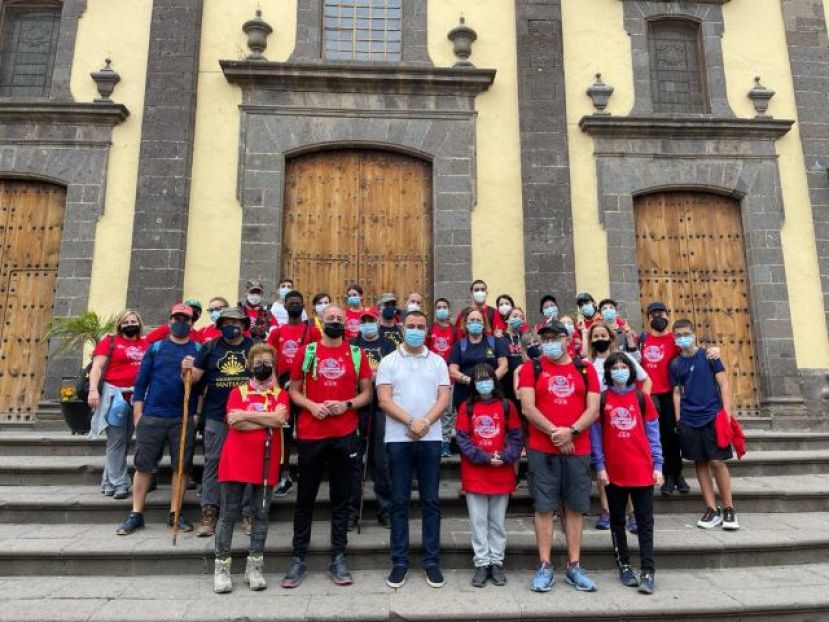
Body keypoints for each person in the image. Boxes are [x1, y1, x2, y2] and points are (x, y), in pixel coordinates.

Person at [282, 305, 373, 589]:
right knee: (305, 499)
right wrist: (312, 406)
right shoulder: (307, 352)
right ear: (321, 321)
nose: (334, 321)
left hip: (345, 433)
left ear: (346, 323)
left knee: (341, 499)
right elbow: (293, 389)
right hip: (311, 434)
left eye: (339, 319)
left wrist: (346, 404)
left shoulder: (356, 354)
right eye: (330, 318)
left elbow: (367, 393)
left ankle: (339, 557)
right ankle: (298, 558)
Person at [517, 320, 601, 593]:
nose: (550, 342)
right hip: (543, 449)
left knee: (575, 506)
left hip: (579, 447)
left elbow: (594, 408)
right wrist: (557, 433)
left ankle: (574, 565)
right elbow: (528, 408)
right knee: (543, 507)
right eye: (546, 338)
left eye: (555, 337)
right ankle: (544, 565)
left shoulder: (585, 369)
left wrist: (573, 432)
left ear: (568, 339)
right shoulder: (533, 368)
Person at [376, 310, 451, 590]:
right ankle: (400, 562)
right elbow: (384, 400)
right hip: (398, 439)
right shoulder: (388, 361)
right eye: (411, 326)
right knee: (399, 502)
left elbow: (444, 397)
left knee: (431, 501)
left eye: (421, 326)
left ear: (427, 329)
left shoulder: (438, 362)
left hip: (430, 439)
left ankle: (432, 562)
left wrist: (425, 423)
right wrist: (410, 421)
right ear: (402, 329)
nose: (416, 330)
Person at [116, 303, 200, 536]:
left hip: (182, 417)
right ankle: (136, 514)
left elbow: (200, 387)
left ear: (192, 323)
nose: (180, 323)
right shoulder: (155, 348)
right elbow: (141, 383)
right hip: (152, 414)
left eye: (185, 319)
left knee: (180, 467)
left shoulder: (198, 349)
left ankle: (175, 512)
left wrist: (195, 413)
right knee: (143, 466)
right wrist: (138, 414)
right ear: (170, 320)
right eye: (176, 318)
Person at [213, 343, 290, 593]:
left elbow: (280, 419)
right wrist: (267, 421)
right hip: (236, 458)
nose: (262, 366)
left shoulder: (281, 394)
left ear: (274, 365)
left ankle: (254, 568)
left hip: (267, 461)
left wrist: (248, 416)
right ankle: (222, 569)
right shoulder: (238, 391)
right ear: (250, 365)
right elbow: (235, 424)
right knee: (228, 514)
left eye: (267, 362)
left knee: (261, 515)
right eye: (258, 362)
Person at [592, 352, 663, 595]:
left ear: (631, 370)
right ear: (608, 372)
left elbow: (653, 432)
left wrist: (658, 465)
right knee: (617, 521)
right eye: (615, 367)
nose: (619, 370)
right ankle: (623, 565)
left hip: (642, 468)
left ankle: (647, 570)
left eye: (624, 366)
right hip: (613, 471)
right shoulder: (601, 400)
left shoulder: (643, 398)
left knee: (645, 523)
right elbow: (596, 437)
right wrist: (600, 466)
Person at [640, 301, 719, 496]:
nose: (658, 317)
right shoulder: (641, 339)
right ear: (648, 318)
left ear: (668, 316)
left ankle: (678, 475)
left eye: (661, 313)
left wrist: (714, 350)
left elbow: (691, 353)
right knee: (656, 436)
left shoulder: (674, 339)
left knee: (673, 436)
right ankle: (666, 475)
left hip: (670, 394)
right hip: (649, 395)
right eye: (653, 314)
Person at [455, 363, 523, 588]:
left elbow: (516, 436)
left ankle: (496, 562)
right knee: (478, 521)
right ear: (473, 383)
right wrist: (483, 457)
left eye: (488, 378)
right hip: (475, 472)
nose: (484, 382)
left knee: (497, 522)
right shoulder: (467, 407)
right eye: (479, 379)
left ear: (495, 380)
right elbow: (463, 439)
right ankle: (482, 563)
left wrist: (506, 456)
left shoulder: (507, 406)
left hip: (501, 472)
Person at [191, 308, 254, 537]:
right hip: (216, 415)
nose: (231, 325)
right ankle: (209, 513)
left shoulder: (253, 347)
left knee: (248, 464)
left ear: (243, 324)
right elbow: (195, 378)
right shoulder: (209, 348)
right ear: (220, 325)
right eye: (227, 322)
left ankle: (248, 514)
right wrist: (186, 370)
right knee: (213, 463)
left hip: (248, 416)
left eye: (235, 322)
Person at [670, 319, 739, 531]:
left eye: (686, 333)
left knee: (717, 461)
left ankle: (729, 508)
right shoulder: (675, 364)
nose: (683, 338)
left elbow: (724, 383)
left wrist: (726, 412)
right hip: (689, 420)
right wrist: (678, 420)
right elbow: (676, 393)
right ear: (674, 338)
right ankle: (711, 509)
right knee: (700, 463)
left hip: (712, 416)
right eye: (678, 335)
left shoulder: (709, 356)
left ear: (694, 333)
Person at [585, 322, 652, 532]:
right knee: (602, 463)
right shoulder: (587, 363)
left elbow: (645, 379)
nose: (599, 339)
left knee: (626, 465)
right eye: (595, 336)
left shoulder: (624, 358)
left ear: (611, 337)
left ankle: (631, 512)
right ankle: (606, 510)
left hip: (624, 417)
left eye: (603, 334)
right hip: (598, 419)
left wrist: (641, 402)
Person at [88, 309, 149, 499]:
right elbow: (97, 367)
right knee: (116, 441)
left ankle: (108, 482)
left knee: (127, 439)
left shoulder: (146, 342)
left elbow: (165, 329)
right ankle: (120, 483)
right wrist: (93, 390)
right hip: (115, 397)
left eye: (134, 321)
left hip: (138, 398)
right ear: (119, 325)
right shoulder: (110, 341)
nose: (130, 325)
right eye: (126, 322)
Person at [267, 289, 321, 496]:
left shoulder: (312, 332)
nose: (294, 305)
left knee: (307, 431)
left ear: (303, 306)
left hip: (306, 389)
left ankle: (306, 470)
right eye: (290, 302)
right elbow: (270, 359)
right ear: (285, 305)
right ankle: (285, 473)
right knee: (285, 433)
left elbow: (319, 357)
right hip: (282, 389)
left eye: (298, 302)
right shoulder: (277, 333)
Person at [349, 307, 394, 529]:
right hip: (358, 408)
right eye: (363, 320)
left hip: (382, 407)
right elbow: (353, 373)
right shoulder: (353, 346)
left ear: (377, 320)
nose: (367, 324)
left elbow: (391, 370)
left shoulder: (388, 344)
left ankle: (385, 510)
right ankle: (352, 511)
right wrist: (371, 375)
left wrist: (368, 374)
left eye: (371, 320)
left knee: (382, 461)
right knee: (354, 462)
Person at [448, 307, 509, 415]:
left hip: (491, 394)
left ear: (484, 324)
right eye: (471, 320)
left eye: (478, 320)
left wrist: (489, 381)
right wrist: (471, 381)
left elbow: (504, 366)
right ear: (466, 324)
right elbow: (452, 371)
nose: (475, 322)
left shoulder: (494, 342)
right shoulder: (459, 345)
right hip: (465, 396)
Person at [428, 298, 456, 457]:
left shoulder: (453, 330)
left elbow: (458, 349)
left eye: (445, 307)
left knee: (447, 411)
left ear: (449, 310)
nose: (442, 310)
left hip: (449, 376)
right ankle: (434, 440)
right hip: (432, 376)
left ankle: (445, 442)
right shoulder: (430, 329)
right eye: (439, 307)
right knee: (432, 408)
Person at [503, 305, 528, 405]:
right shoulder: (500, 338)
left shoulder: (525, 338)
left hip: (523, 382)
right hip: (506, 384)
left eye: (521, 317)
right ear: (506, 320)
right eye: (514, 316)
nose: (518, 319)